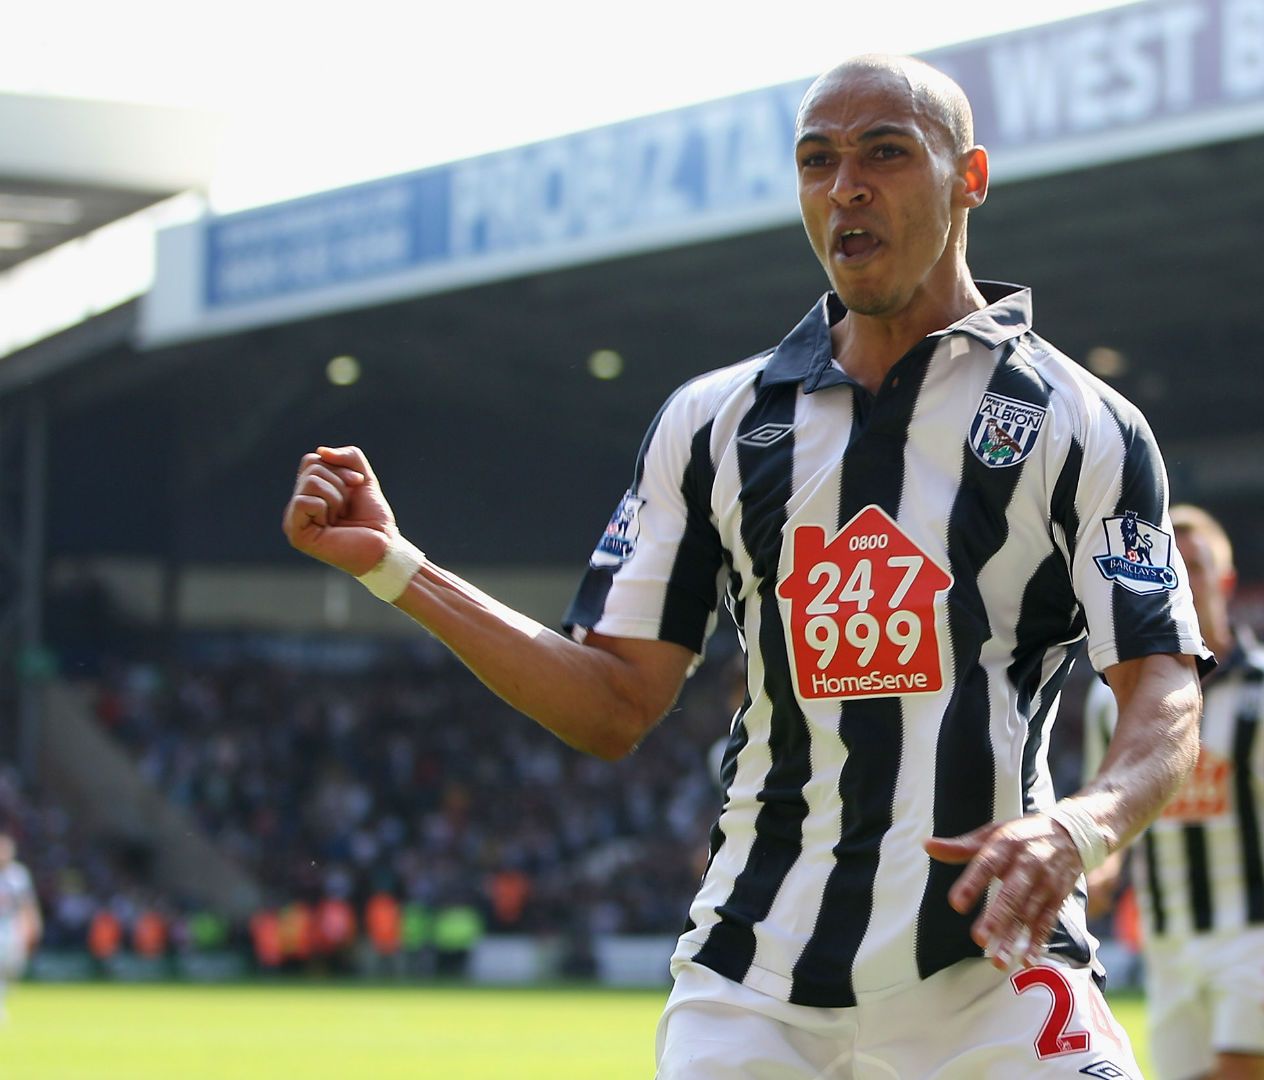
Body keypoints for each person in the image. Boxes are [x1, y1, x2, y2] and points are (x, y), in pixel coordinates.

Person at [283, 53, 1208, 1078]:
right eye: (818, 160)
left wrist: (1080, 825)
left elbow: (1163, 689)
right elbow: (612, 703)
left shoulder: (1083, 426)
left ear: (970, 177)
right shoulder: (715, 423)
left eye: (886, 154)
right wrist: (398, 568)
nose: (846, 186)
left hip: (988, 975)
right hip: (753, 986)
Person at [1084, 505, 1264, 1080]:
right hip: (1169, 931)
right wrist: (1103, 869)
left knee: (1240, 1072)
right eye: (1171, 566)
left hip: (1263, 920)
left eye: (1197, 565)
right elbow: (1106, 798)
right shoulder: (1110, 699)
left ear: (1227, 581)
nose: (1184, 578)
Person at [0, 834, 41, 1021]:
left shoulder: (18, 875)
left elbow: (27, 904)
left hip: (11, 925)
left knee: (12, 965)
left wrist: (33, 925)